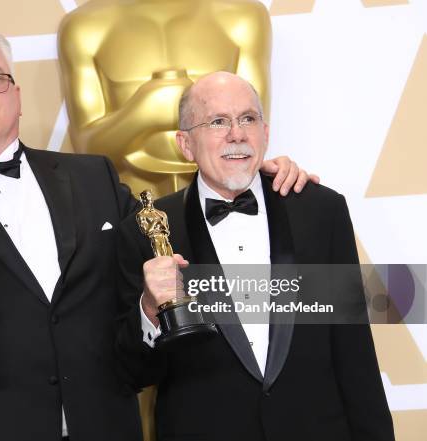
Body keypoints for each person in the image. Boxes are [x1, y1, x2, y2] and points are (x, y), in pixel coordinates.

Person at [0, 25, 314, 441]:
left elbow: (169, 235)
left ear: (17, 95)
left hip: (105, 428)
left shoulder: (94, 178)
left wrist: (246, 176)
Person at [114, 72, 395, 441]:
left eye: (247, 119)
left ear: (265, 132)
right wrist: (149, 312)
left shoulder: (320, 211)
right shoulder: (146, 232)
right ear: (185, 144)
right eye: (217, 122)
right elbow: (131, 373)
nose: (237, 134)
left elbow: (354, 354)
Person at [58, 0, 272, 195]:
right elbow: (87, 149)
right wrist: (144, 112)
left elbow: (253, 135)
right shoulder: (84, 27)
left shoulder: (244, 19)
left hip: (226, 200)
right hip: (130, 206)